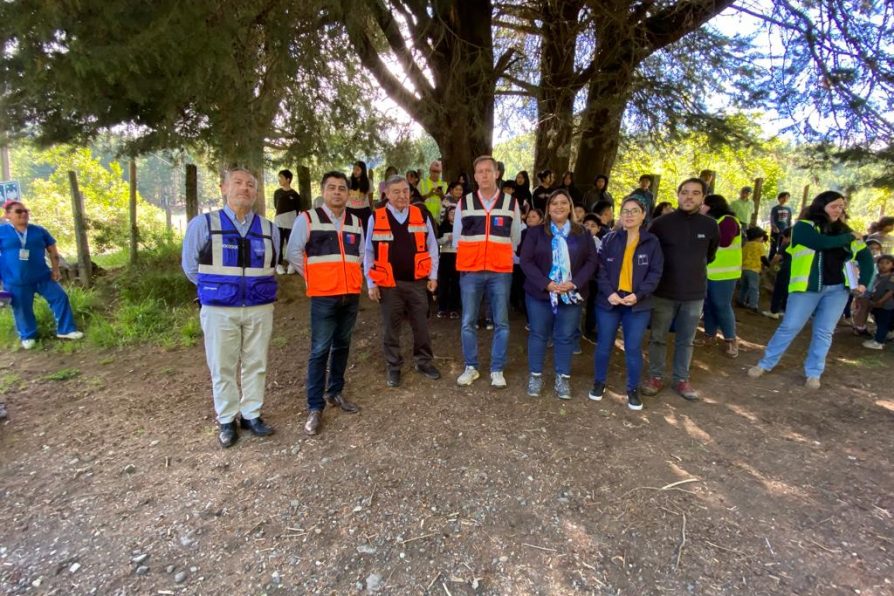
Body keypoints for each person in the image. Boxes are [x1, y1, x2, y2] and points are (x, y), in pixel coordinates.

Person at [181, 169, 278, 448]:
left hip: (259, 306)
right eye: (238, 183)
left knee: (256, 363)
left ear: (256, 193)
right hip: (220, 308)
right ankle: (226, 418)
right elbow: (190, 267)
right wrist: (218, 290)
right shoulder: (204, 224)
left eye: (250, 185)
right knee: (222, 365)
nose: (244, 189)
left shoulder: (269, 228)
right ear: (224, 188)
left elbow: (272, 265)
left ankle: (251, 414)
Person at [748, 191, 873, 389]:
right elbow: (819, 243)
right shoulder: (804, 227)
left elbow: (866, 259)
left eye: (841, 207)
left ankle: (814, 373)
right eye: (834, 206)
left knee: (824, 332)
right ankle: (765, 364)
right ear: (821, 206)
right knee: (789, 327)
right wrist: (848, 237)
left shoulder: (845, 231)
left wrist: (863, 282)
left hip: (838, 290)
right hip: (806, 288)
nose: (838, 210)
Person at [287, 171, 365, 435]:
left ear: (348, 193)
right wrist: (315, 277)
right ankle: (314, 406)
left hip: (350, 294)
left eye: (342, 188)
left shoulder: (355, 221)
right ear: (323, 191)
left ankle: (335, 392)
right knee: (320, 350)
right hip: (323, 296)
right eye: (331, 188)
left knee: (343, 345)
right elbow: (294, 252)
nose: (337, 192)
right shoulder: (307, 219)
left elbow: (360, 254)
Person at [642, 178, 719, 401]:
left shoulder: (710, 225)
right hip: (663, 293)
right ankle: (655, 377)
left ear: (702, 198)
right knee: (658, 337)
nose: (689, 197)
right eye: (685, 192)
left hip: (694, 295)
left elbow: (710, 255)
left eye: (695, 193)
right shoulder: (660, 223)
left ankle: (681, 380)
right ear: (678, 195)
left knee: (687, 339)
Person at [520, 190, 598, 399]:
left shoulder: (582, 233)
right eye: (554, 203)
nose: (559, 206)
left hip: (571, 295)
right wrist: (547, 284)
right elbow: (526, 261)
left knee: (565, 337)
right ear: (548, 208)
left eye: (564, 202)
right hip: (540, 294)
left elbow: (592, 262)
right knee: (538, 334)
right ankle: (535, 375)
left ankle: (562, 378)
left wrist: (574, 283)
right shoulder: (535, 233)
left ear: (570, 207)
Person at [365, 176, 441, 386]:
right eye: (396, 191)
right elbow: (368, 252)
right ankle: (393, 366)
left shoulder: (421, 214)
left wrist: (433, 276)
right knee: (392, 327)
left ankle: (423, 362)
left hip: (417, 282)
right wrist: (371, 284)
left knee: (421, 325)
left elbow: (432, 247)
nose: (402, 195)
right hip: (389, 284)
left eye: (405, 191)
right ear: (387, 194)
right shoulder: (376, 217)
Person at [453, 156, 522, 388]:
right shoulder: (465, 202)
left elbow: (515, 237)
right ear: (475, 176)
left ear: (497, 174)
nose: (484, 175)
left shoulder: (511, 202)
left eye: (488, 171)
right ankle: (471, 367)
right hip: (471, 270)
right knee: (468, 321)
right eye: (479, 171)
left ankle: (497, 369)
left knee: (501, 322)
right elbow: (456, 237)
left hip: (500, 270)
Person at [590, 196, 664, 410]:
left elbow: (655, 272)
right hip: (609, 301)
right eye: (625, 211)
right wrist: (609, 293)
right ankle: (599, 383)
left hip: (637, 304)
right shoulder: (610, 239)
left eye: (634, 211)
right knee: (604, 345)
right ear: (620, 215)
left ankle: (632, 389)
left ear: (643, 215)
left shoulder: (652, 242)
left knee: (632, 347)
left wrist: (638, 294)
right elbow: (600, 268)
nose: (629, 214)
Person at [0, 201, 84, 350]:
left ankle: (66, 330)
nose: (24, 214)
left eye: (26, 211)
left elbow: (52, 250)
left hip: (42, 276)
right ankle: (28, 336)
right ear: (8, 215)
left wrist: (56, 269)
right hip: (15, 280)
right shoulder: (2, 232)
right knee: (22, 308)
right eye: (19, 211)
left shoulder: (38, 231)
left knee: (60, 297)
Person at [699, 194, 742, 358]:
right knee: (709, 304)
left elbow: (724, 241)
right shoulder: (711, 222)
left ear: (712, 206)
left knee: (721, 305)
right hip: (708, 271)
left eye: (704, 204)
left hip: (725, 273)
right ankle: (709, 335)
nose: (701, 207)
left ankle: (731, 340)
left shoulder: (728, 220)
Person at [273, 169, 303, 275]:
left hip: (291, 224)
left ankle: (292, 264)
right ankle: (279, 264)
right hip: (279, 223)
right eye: (279, 177)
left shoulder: (295, 195)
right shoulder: (277, 193)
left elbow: (298, 209)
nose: (279, 180)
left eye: (281, 177)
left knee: (291, 244)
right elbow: (275, 206)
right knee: (278, 244)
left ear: (288, 179)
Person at [861, 254, 893, 350]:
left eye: (887, 263)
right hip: (877, 304)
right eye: (881, 263)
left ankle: (878, 342)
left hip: (887, 305)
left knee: (883, 323)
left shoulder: (892, 277)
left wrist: (881, 301)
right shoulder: (878, 276)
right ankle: (881, 337)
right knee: (879, 322)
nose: (884, 265)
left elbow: (890, 291)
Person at [762, 227, 792, 319]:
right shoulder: (800, 245)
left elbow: (777, 258)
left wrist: (770, 266)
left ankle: (774, 311)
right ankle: (784, 309)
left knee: (778, 290)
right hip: (795, 272)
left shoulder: (786, 246)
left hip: (784, 271)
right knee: (787, 291)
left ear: (787, 237)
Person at [437, 206, 461, 318]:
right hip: (445, 258)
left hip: (458, 258)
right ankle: (442, 308)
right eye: (451, 213)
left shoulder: (462, 227)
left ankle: (454, 308)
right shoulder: (443, 227)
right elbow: (436, 242)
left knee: (456, 284)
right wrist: (447, 239)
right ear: (447, 215)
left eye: (456, 213)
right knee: (443, 284)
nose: (453, 215)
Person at [739, 226, 768, 312]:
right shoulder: (759, 245)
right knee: (754, 288)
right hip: (754, 270)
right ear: (758, 236)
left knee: (744, 287)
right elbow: (763, 258)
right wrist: (768, 265)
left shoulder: (745, 245)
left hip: (744, 269)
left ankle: (741, 301)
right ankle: (753, 305)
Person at [348, 160, 373, 228]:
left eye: (357, 169)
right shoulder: (348, 180)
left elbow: (370, 199)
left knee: (364, 233)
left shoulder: (369, 182)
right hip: (350, 211)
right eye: (354, 169)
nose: (355, 171)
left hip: (364, 212)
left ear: (363, 171)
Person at [769, 192, 793, 259]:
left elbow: (789, 220)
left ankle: (780, 263)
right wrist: (774, 227)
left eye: (787, 197)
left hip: (785, 232)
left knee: (782, 247)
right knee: (773, 247)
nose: (785, 199)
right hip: (775, 231)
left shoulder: (789, 209)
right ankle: (769, 262)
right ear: (779, 198)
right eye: (783, 197)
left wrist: (789, 230)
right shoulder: (775, 208)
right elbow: (772, 219)